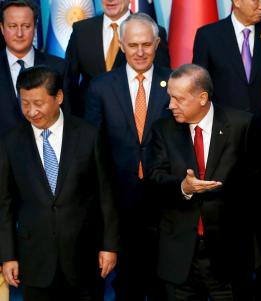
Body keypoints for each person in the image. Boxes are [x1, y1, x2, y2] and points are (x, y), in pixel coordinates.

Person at [0, 65, 119, 301]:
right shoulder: (11, 143)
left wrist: (109, 246)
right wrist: (7, 256)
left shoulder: (88, 135)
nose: (31, 111)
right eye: (25, 103)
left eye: (38, 103)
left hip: (84, 258)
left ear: (59, 98)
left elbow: (106, 195)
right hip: (34, 262)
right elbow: (4, 203)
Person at [193, 1, 261, 296]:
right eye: (255, 0)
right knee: (229, 223)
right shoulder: (208, 34)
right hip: (224, 143)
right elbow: (201, 90)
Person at [148, 64, 253, 301]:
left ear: (203, 97)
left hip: (228, 257)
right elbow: (154, 178)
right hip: (180, 257)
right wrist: (183, 187)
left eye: (178, 99)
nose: (171, 105)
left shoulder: (241, 125)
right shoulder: (163, 130)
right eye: (170, 98)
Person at [84, 12, 170, 301]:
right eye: (133, 45)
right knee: (128, 286)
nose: (140, 52)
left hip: (165, 203)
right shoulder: (100, 87)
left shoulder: (174, 84)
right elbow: (92, 150)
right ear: (121, 45)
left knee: (164, 284)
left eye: (146, 44)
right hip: (119, 203)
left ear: (157, 43)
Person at [65, 0, 170, 117]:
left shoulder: (152, 32)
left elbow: (162, 81)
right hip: (89, 119)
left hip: (134, 120)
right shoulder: (81, 30)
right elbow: (69, 82)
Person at [0, 0, 67, 136]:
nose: (19, 33)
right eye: (12, 26)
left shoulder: (59, 67)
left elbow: (70, 120)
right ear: (2, 28)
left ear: (35, 28)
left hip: (49, 152)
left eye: (26, 26)